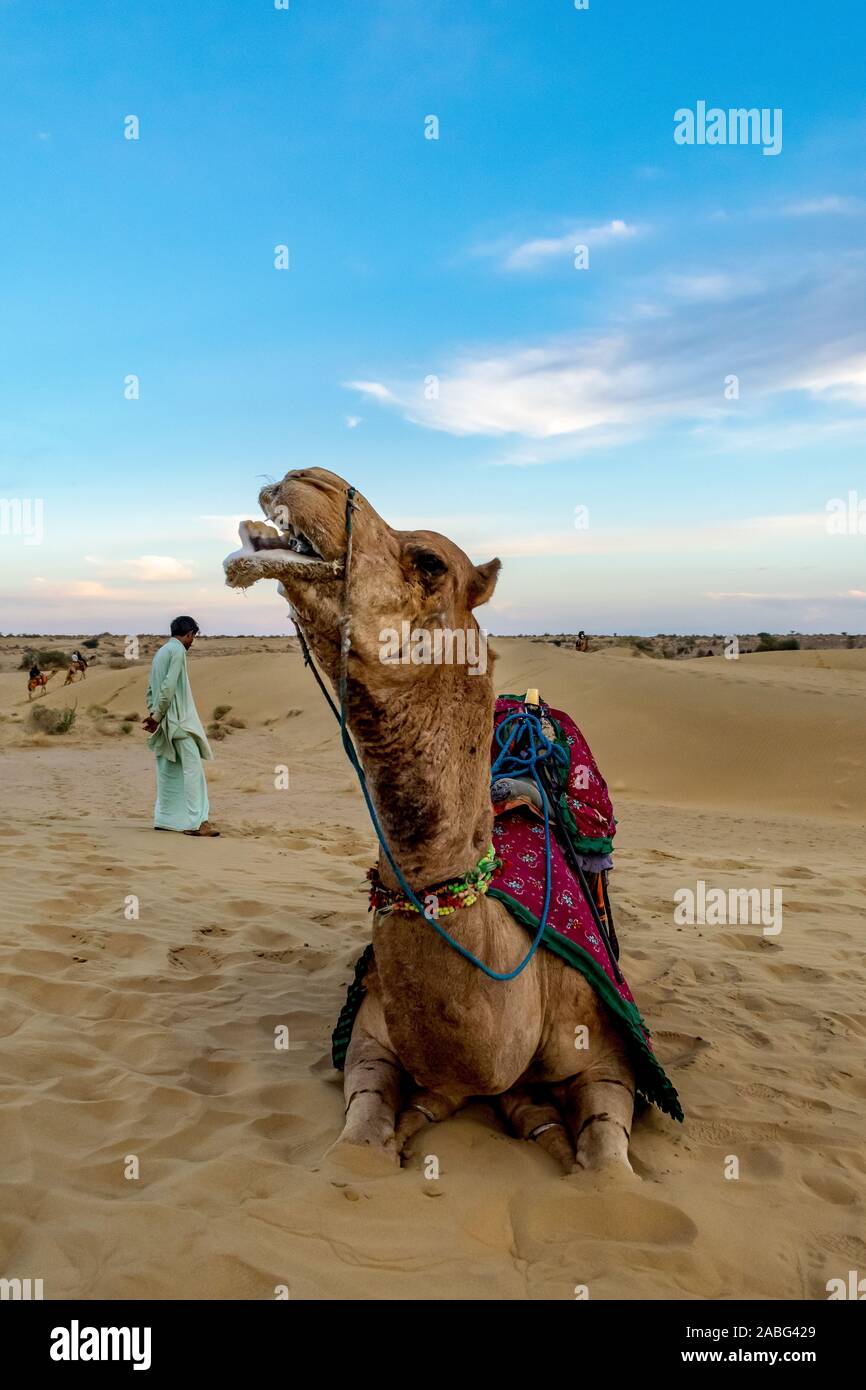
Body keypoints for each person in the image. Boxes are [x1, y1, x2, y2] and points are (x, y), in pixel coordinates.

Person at [143, 617, 219, 837]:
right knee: (193, 771)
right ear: (189, 634)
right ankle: (197, 823)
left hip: (166, 723)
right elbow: (168, 686)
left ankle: (165, 819)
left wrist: (154, 714)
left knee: (169, 771)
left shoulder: (161, 652)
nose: (192, 641)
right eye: (193, 636)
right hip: (179, 723)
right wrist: (158, 715)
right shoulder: (177, 651)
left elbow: (150, 689)